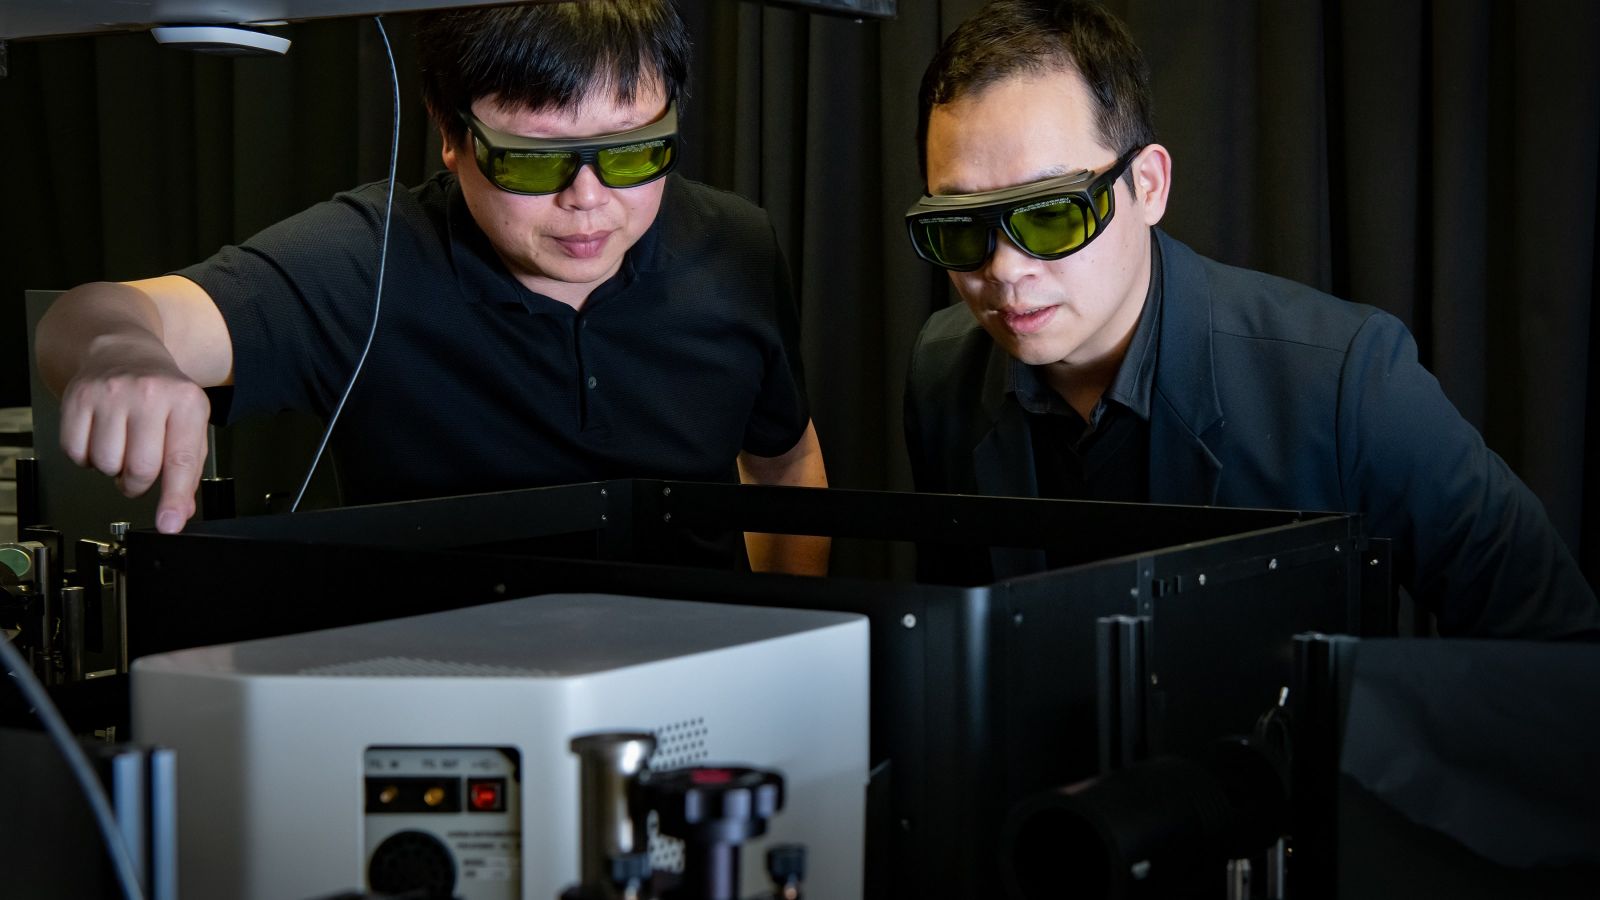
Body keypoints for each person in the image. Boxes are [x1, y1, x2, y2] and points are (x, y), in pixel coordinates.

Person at [35, 1, 829, 575]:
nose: (588, 200)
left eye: (632, 153)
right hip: (443, 715)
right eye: (533, 159)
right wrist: (114, 352)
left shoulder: (736, 244)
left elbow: (784, 462)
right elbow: (103, 312)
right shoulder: (367, 259)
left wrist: (794, 641)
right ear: (450, 134)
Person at [901, 0, 1598, 636]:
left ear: (1148, 186)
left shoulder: (1345, 382)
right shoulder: (943, 373)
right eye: (958, 226)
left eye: (1050, 213)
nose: (1003, 269)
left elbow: (1557, 644)